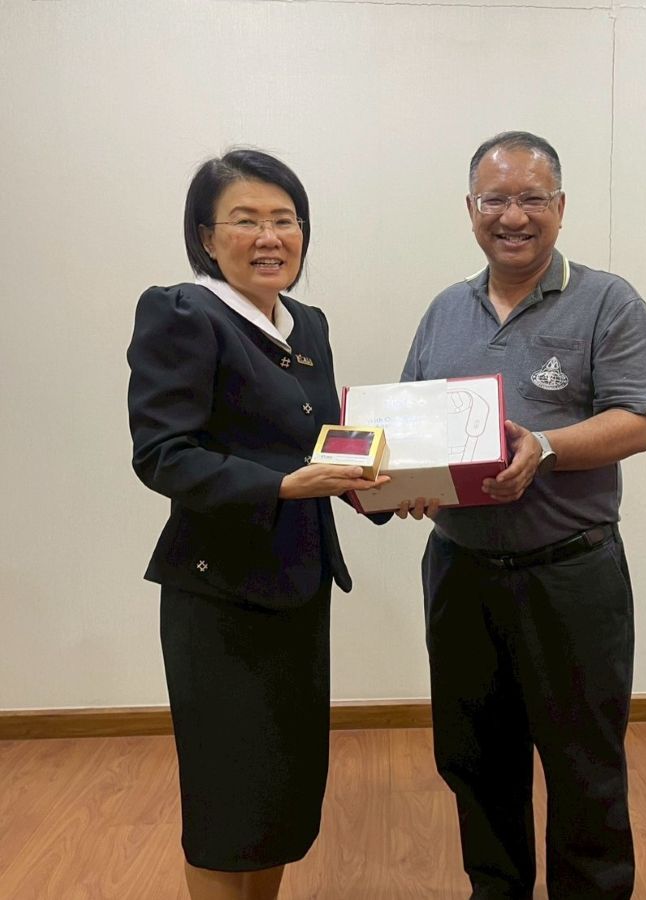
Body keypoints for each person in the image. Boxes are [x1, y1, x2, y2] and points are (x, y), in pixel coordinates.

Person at [399, 131, 646, 899]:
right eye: (495, 200)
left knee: (585, 767)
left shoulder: (609, 301)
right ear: (470, 209)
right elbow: (413, 424)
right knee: (475, 761)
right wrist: (405, 478)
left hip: (571, 575)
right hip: (461, 575)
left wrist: (544, 447)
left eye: (531, 199)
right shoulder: (445, 311)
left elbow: (638, 421)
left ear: (560, 206)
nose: (512, 216)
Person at [127, 149, 388, 900]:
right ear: (206, 238)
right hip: (219, 597)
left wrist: (388, 487)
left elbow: (326, 443)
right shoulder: (183, 313)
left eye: (286, 220)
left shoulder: (307, 323)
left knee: (281, 794)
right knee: (226, 803)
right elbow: (162, 454)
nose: (270, 237)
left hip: (299, 585)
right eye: (246, 220)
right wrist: (279, 485)